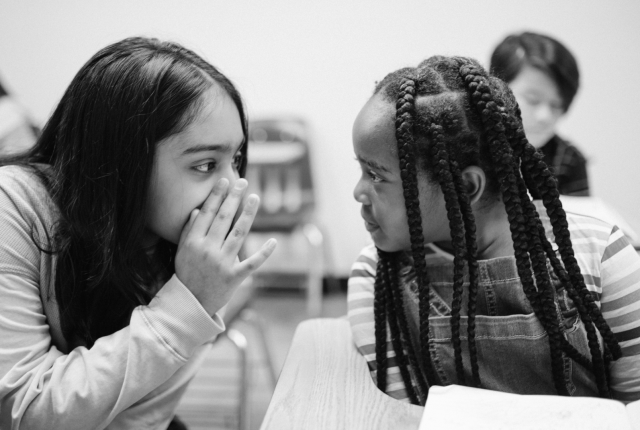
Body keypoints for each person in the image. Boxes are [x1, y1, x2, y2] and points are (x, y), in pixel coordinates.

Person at [0, 37, 276, 429]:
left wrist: (196, 299)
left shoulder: (190, 254)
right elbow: (26, 414)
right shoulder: (12, 206)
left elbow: (142, 420)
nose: (234, 187)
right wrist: (186, 307)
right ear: (123, 161)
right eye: (204, 164)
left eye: (234, 160)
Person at [348, 56, 640, 406]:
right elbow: (400, 413)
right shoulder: (376, 274)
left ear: (466, 187)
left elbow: (632, 407)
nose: (358, 193)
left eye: (377, 175)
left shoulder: (603, 256)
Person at [490, 31, 589, 196]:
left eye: (556, 105)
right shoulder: (465, 144)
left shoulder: (568, 161)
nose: (545, 116)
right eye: (532, 99)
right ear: (495, 88)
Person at [0, 78, 39, 156]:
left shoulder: (8, 105)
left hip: (18, 160)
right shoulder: (10, 105)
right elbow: (35, 129)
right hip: (34, 154)